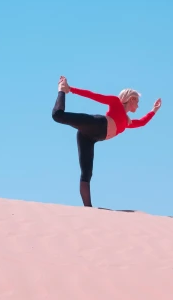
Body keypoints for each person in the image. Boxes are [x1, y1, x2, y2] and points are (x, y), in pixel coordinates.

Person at [51, 76, 161, 207]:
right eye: (137, 102)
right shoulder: (115, 103)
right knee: (58, 116)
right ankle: (62, 89)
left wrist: (154, 110)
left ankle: (88, 208)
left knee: (87, 172)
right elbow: (95, 96)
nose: (138, 105)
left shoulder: (126, 122)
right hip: (97, 124)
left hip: (90, 137)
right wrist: (71, 89)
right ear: (131, 99)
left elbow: (142, 122)